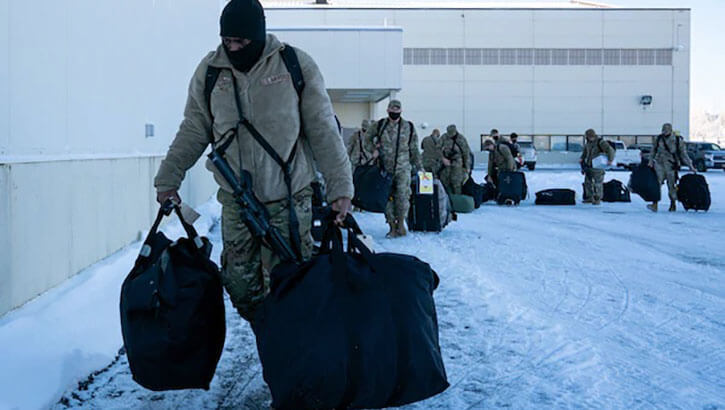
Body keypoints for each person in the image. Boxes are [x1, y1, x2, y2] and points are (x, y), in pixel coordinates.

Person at [153, 0, 353, 322]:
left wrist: (340, 187)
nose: (233, 47)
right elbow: (194, 128)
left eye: (241, 41)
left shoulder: (293, 65)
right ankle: (266, 332)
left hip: (290, 198)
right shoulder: (210, 72)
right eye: (227, 40)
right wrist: (168, 178)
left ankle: (287, 352)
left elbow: (323, 130)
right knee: (240, 287)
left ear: (258, 36)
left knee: (291, 283)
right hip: (236, 201)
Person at [365, 100, 422, 238]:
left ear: (401, 112)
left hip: (403, 168)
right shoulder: (379, 125)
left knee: (403, 196)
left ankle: (401, 223)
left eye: (397, 111)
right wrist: (373, 150)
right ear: (388, 110)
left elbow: (414, 148)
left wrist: (420, 167)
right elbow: (367, 139)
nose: (394, 113)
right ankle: (391, 225)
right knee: (387, 198)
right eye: (392, 111)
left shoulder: (409, 127)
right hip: (385, 168)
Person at [647, 123, 695, 212]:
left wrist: (690, 166)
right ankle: (655, 204)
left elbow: (683, 154)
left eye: (667, 130)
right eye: (663, 129)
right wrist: (650, 161)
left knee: (671, 185)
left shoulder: (677, 140)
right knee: (657, 184)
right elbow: (653, 151)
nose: (665, 131)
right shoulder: (658, 139)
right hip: (659, 163)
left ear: (670, 130)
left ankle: (673, 203)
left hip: (671, 165)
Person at [579, 129, 615, 205]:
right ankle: (589, 198)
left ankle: (597, 199)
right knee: (587, 182)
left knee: (598, 183)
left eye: (590, 136)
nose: (589, 137)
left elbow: (610, 150)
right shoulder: (588, 143)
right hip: (589, 165)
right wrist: (582, 158)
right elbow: (585, 152)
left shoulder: (600, 142)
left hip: (598, 166)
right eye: (588, 136)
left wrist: (610, 160)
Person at [440, 124, 471, 195]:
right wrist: (443, 158)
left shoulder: (461, 139)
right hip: (445, 164)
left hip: (457, 164)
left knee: (456, 183)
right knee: (444, 182)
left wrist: (467, 168)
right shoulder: (444, 137)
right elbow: (437, 149)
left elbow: (466, 154)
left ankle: (457, 200)